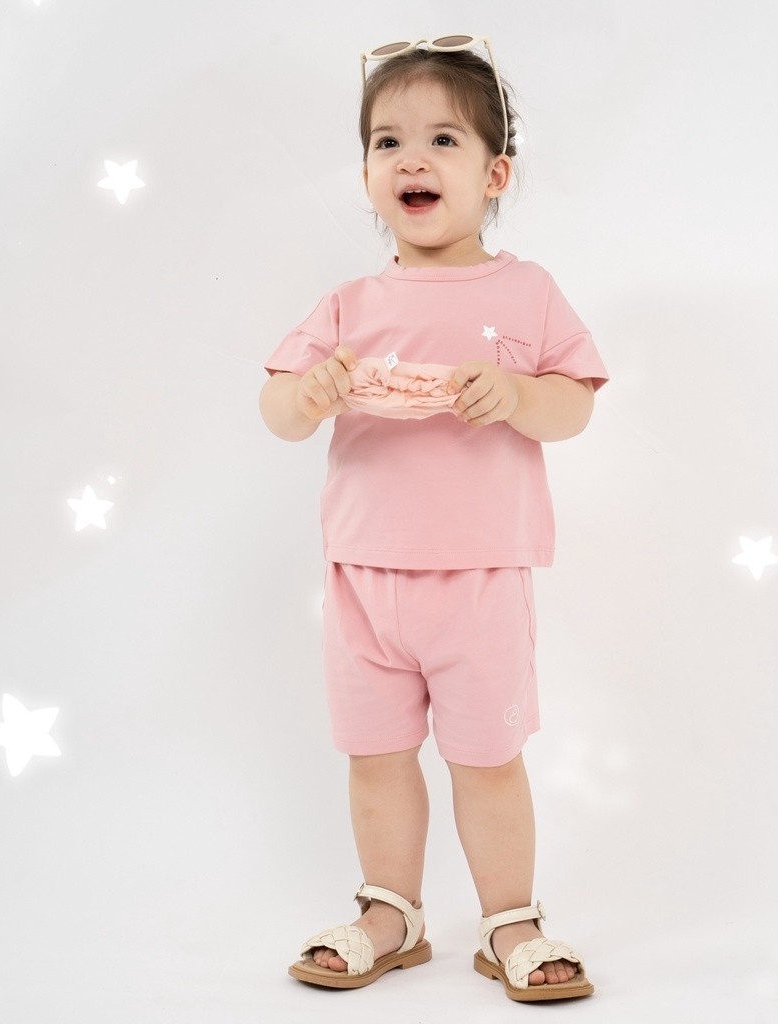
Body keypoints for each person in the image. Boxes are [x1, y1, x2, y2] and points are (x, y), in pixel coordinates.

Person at [259, 36, 609, 1003]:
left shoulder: (526, 292)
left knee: (487, 759)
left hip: (480, 577)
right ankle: (392, 912)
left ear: (495, 174)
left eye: (443, 139)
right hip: (364, 578)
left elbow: (575, 403)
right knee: (375, 758)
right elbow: (278, 408)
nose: (411, 158)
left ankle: (510, 920)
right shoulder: (349, 305)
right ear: (368, 174)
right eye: (388, 141)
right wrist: (310, 394)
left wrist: (519, 395)